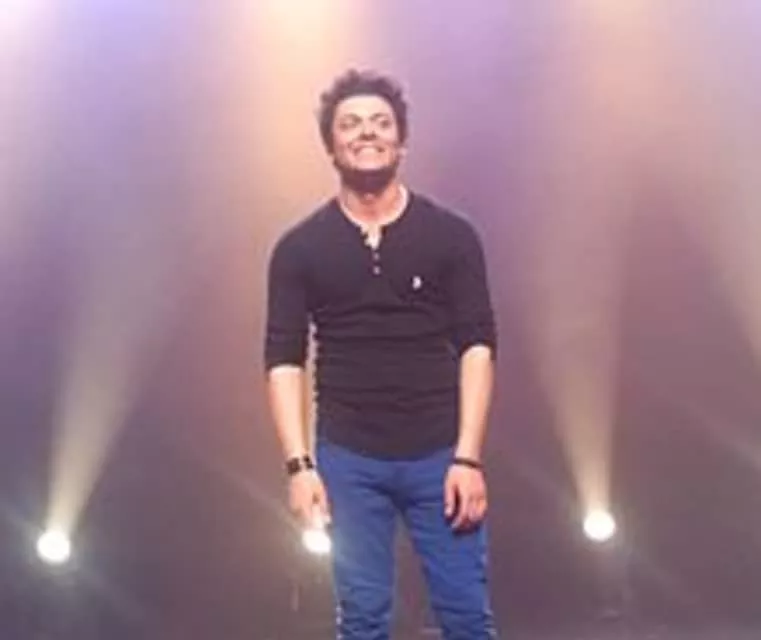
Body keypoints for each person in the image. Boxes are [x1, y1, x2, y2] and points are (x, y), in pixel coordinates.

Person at [264, 69, 498, 639]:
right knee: (363, 618)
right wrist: (299, 467)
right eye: (350, 124)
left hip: (439, 452)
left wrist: (468, 458)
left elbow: (477, 346)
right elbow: (284, 360)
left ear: (401, 140)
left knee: (467, 617)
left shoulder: (451, 235)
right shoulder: (299, 248)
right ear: (331, 145)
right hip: (348, 457)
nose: (366, 133)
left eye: (380, 123)